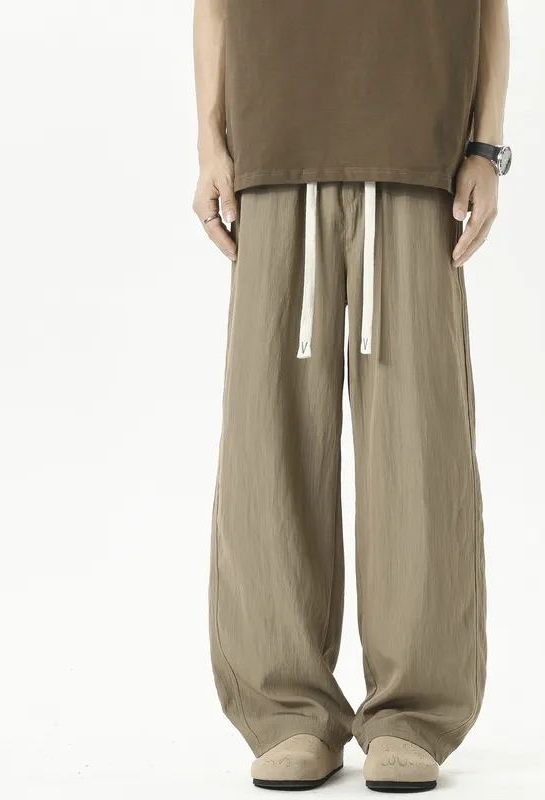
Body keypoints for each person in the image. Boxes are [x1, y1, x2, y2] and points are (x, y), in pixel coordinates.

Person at [192, 0, 510, 792]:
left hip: (416, 143)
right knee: (268, 436)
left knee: (420, 438)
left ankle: (413, 714)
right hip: (274, 139)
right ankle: (286, 712)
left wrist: (485, 145)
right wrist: (209, 140)